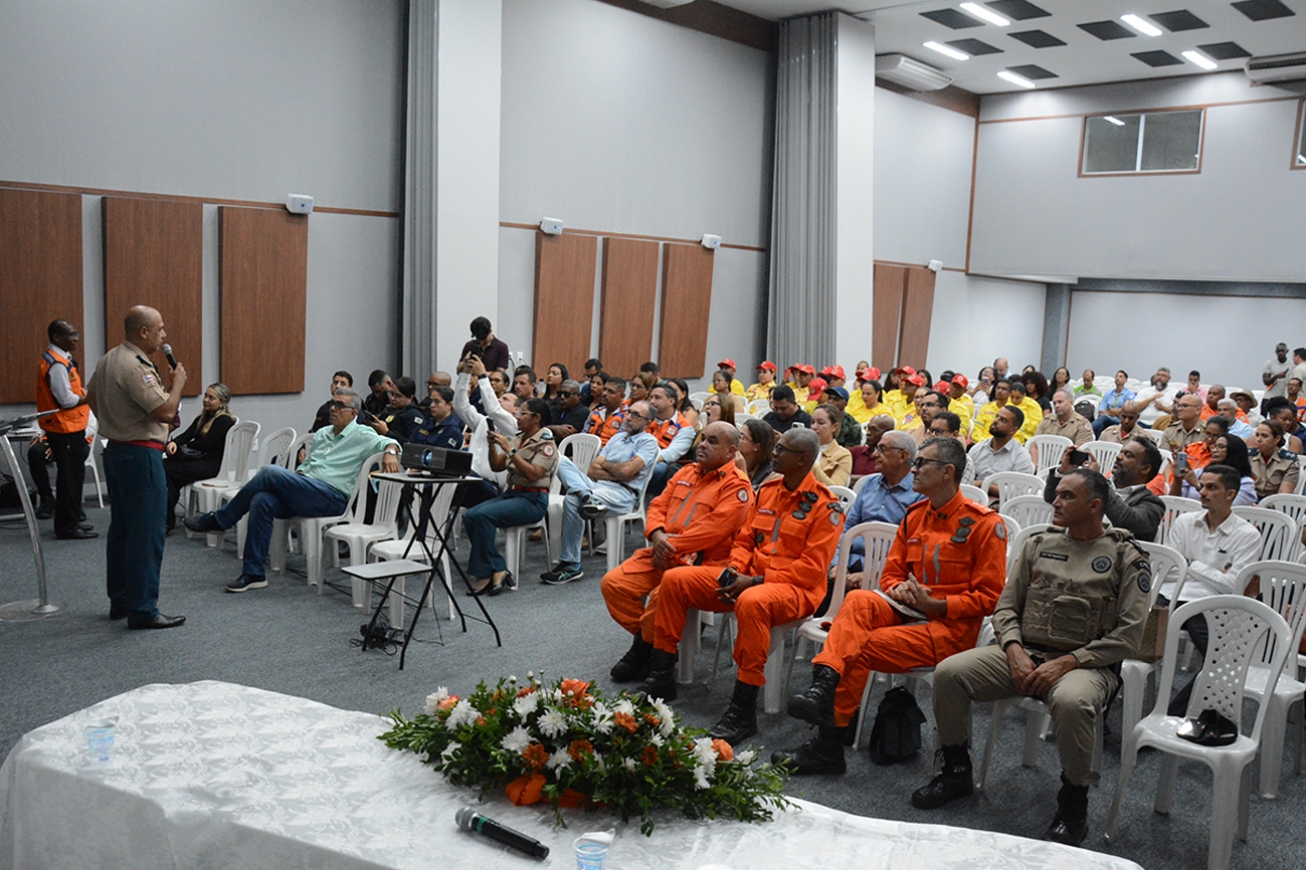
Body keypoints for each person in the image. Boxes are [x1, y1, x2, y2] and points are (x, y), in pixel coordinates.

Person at [914, 468, 1150, 847]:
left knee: (1073, 702)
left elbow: (1129, 636)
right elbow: (1005, 609)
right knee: (949, 673)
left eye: (1067, 496)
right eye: (1056, 494)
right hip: (1024, 651)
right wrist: (1013, 649)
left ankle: (1073, 804)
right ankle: (956, 770)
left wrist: (1068, 662)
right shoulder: (1039, 544)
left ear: (1095, 506)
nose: (1055, 501)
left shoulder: (1127, 556)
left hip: (1087, 664)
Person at [774, 437, 1006, 775]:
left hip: (949, 628)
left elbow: (990, 597)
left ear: (947, 472)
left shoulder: (985, 525)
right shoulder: (915, 516)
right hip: (907, 611)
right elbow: (891, 574)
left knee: (856, 645)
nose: (914, 468)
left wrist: (938, 604)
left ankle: (828, 742)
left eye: (922, 463)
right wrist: (901, 591)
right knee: (858, 600)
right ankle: (824, 689)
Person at [635, 429, 841, 745]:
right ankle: (662, 674)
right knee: (676, 579)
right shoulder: (768, 489)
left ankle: (742, 711)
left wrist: (755, 581)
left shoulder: (826, 507)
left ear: (803, 459)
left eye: (782, 449)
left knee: (753, 601)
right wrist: (734, 571)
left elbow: (811, 570)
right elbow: (745, 539)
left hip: (794, 591)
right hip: (747, 580)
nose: (773, 453)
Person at [186, 388, 401, 592]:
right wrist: (295, 478)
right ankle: (254, 574)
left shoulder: (362, 434)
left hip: (332, 498)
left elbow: (391, 443)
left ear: (354, 412)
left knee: (270, 472)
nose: (333, 409)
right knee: (261, 500)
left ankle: (222, 520)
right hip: (307, 488)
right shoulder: (323, 433)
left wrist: (390, 451)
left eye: (339, 406)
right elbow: (308, 467)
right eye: (332, 404)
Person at [601, 423, 753, 680]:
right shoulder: (685, 472)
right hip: (663, 554)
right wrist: (658, 535)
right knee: (613, 584)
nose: (702, 444)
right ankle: (648, 644)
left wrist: (669, 545)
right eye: (703, 438)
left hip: (703, 564)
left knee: (663, 596)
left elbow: (713, 530)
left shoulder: (737, 487)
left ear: (730, 452)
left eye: (712, 441)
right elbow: (657, 505)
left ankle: (642, 652)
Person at [86, 305, 188, 628]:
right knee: (146, 533)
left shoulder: (109, 359)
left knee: (122, 530)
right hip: (141, 456)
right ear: (143, 332)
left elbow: (90, 399)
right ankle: (143, 609)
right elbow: (164, 411)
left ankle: (121, 600)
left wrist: (117, 419)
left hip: (117, 453)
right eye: (160, 329)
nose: (164, 335)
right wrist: (178, 383)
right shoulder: (134, 366)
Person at [1161, 464, 1262, 715]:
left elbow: (1233, 585)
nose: (1202, 492)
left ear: (1230, 494)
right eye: (1202, 486)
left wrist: (1191, 564)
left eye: (1211, 487)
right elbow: (1168, 570)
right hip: (1170, 596)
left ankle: (1171, 715)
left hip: (1210, 605)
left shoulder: (1248, 535)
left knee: (1221, 659)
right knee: (1121, 635)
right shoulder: (1185, 522)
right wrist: (1210, 572)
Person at [542, 399, 659, 585]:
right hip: (596, 486)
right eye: (629, 412)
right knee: (561, 459)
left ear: (648, 422)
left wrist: (609, 467)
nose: (628, 417)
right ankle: (586, 496)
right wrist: (618, 470)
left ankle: (571, 565)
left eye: (636, 415)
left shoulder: (649, 442)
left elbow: (627, 472)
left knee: (572, 500)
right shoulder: (617, 437)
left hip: (623, 494)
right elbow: (592, 470)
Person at [461, 398, 558, 596]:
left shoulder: (546, 444)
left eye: (523, 413)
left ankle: (488, 573)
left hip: (533, 500)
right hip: (514, 494)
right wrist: (491, 446)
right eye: (518, 412)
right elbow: (497, 465)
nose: (517, 416)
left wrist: (510, 450)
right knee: (470, 516)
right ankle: (497, 568)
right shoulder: (519, 437)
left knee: (484, 516)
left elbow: (533, 474)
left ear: (537, 418)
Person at [823, 430, 922, 592]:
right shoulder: (868, 484)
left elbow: (911, 546)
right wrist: (837, 564)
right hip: (849, 563)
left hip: (888, 573)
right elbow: (846, 529)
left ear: (903, 456)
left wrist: (874, 572)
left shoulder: (920, 494)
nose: (875, 454)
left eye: (882, 449)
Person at [32, 319, 94, 539]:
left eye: (76, 333)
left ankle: (74, 518)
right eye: (71, 334)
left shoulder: (61, 360)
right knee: (68, 480)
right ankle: (67, 527)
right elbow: (66, 400)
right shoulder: (57, 364)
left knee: (74, 477)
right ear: (57, 338)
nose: (76, 338)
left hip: (71, 427)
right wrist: (90, 397)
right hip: (64, 429)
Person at [1044, 437, 1165, 542]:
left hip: (1115, 562)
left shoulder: (1153, 504)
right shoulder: (1099, 485)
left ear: (1145, 469)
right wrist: (1063, 472)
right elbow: (1050, 497)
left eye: (1128, 455)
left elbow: (1126, 520)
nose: (1118, 457)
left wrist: (1099, 482)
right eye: (1121, 452)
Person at [163, 383, 235, 532]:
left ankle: (166, 520)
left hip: (210, 465)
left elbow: (205, 445)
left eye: (211, 398)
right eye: (206, 396)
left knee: (166, 469)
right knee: (166, 472)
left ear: (223, 402)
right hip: (198, 461)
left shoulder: (224, 421)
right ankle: (165, 518)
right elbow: (187, 435)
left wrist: (186, 447)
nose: (206, 400)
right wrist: (174, 443)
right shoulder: (203, 418)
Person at [453, 355, 519, 507]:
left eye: (506, 399)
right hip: (468, 480)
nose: (500, 400)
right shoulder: (483, 421)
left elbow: (493, 409)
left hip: (489, 487)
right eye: (500, 398)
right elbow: (460, 406)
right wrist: (465, 374)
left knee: (452, 474)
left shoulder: (514, 427)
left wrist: (483, 375)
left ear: (516, 410)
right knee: (432, 485)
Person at [1170, 433, 1256, 505]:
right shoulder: (1199, 473)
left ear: (1234, 451)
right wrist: (1178, 480)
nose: (1214, 450)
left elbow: (1229, 507)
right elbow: (1174, 502)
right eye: (1214, 446)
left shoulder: (1245, 483)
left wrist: (1197, 485)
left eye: (1221, 447)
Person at [645, 383, 697, 498]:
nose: (652, 401)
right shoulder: (645, 418)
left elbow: (670, 455)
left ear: (671, 401)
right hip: (636, 457)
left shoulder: (684, 427)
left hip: (657, 462)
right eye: (651, 397)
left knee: (659, 469)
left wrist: (641, 460)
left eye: (657, 398)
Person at [968, 405, 1034, 490]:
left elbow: (1019, 490)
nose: (995, 421)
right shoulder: (978, 448)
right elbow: (965, 479)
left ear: (1013, 430)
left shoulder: (1021, 456)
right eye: (996, 417)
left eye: (1003, 420)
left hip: (1002, 501)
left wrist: (984, 484)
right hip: (973, 497)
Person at [1028, 389, 1092, 467]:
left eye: (1060, 402)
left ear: (1071, 402)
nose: (1057, 406)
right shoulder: (1047, 421)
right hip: (1043, 463)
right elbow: (1034, 445)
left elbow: (1079, 452)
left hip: (1066, 467)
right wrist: (1036, 465)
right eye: (1054, 403)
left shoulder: (1081, 423)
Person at [1250, 419, 1300, 500]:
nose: (1259, 439)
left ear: (1277, 439)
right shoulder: (1248, 456)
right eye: (1257, 435)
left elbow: (1283, 495)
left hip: (1274, 505)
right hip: (1250, 502)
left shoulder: (1289, 461)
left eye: (1264, 436)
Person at [408, 385, 463, 451]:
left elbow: (440, 457)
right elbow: (409, 446)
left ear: (449, 405)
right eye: (431, 401)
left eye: (437, 402)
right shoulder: (426, 423)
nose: (432, 405)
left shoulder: (452, 431)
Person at [369, 376, 424, 442]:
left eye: (398, 396)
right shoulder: (389, 410)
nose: (392, 398)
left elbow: (412, 445)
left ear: (410, 398)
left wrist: (387, 432)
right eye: (391, 394)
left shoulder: (413, 415)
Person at [809, 404, 852, 488]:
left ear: (834, 427)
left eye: (820, 423)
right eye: (812, 422)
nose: (814, 427)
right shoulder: (801, 448)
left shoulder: (843, 455)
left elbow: (836, 491)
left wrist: (810, 464)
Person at [585, 376, 629, 446]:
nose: (604, 394)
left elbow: (619, 444)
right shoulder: (595, 412)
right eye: (604, 389)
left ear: (622, 396)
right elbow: (582, 436)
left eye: (611, 392)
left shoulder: (626, 417)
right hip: (587, 451)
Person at [735, 418, 775, 491]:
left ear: (756, 446)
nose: (737, 440)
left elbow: (752, 498)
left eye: (742, 437)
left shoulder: (770, 472)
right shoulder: (733, 459)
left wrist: (742, 472)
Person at [970, 377, 1010, 442]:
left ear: (1010, 393)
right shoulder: (986, 407)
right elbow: (977, 428)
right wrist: (983, 443)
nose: (1000, 391)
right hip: (981, 443)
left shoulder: (1013, 411)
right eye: (998, 388)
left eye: (1004, 389)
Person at [1263, 342, 1292, 407]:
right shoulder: (1269, 364)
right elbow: (1265, 381)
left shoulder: (1292, 365)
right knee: (1263, 416)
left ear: (1287, 351)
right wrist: (1276, 376)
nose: (1280, 353)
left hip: (1285, 397)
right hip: (1269, 397)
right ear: (1275, 352)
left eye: (1282, 351)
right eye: (1278, 351)